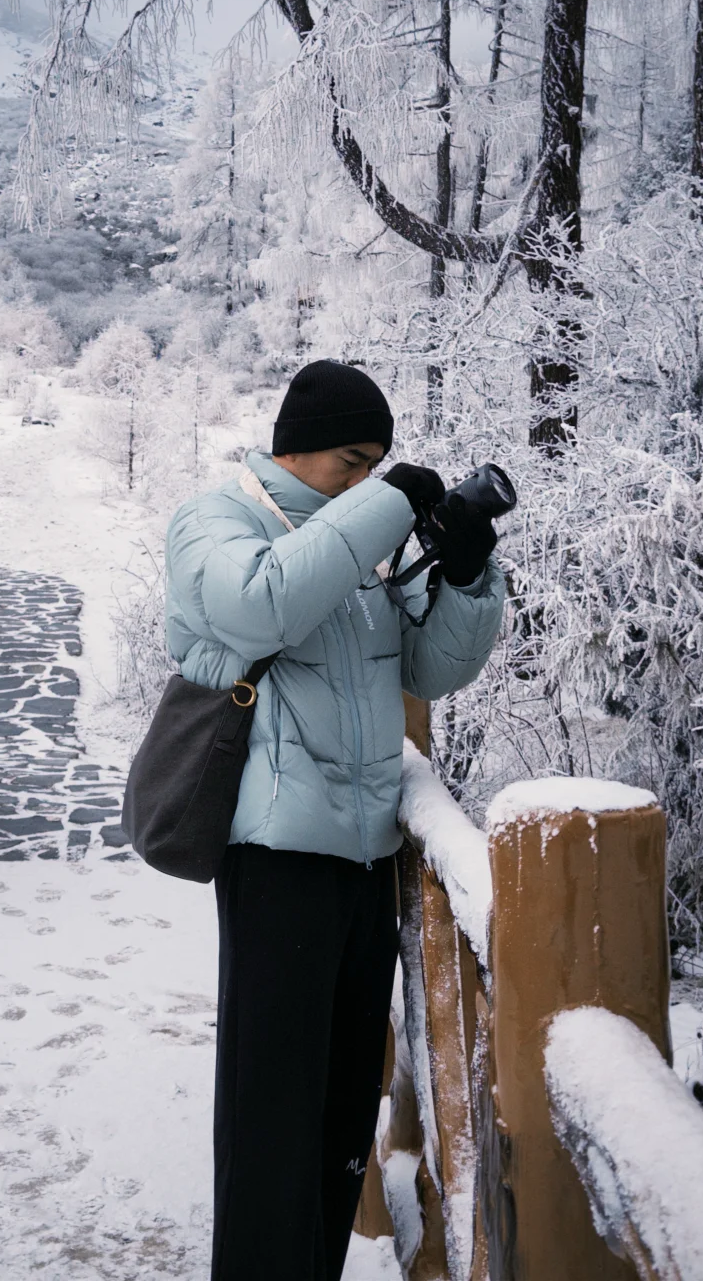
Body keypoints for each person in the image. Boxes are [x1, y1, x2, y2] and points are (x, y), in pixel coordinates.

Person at [164, 359, 506, 1281]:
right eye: (351, 461)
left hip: (365, 863)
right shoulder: (216, 521)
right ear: (296, 448)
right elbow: (261, 602)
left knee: (341, 1111)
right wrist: (387, 503)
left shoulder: (359, 547)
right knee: (270, 1113)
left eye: (377, 466)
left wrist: (467, 571)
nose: (363, 481)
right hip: (276, 859)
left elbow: (430, 671)